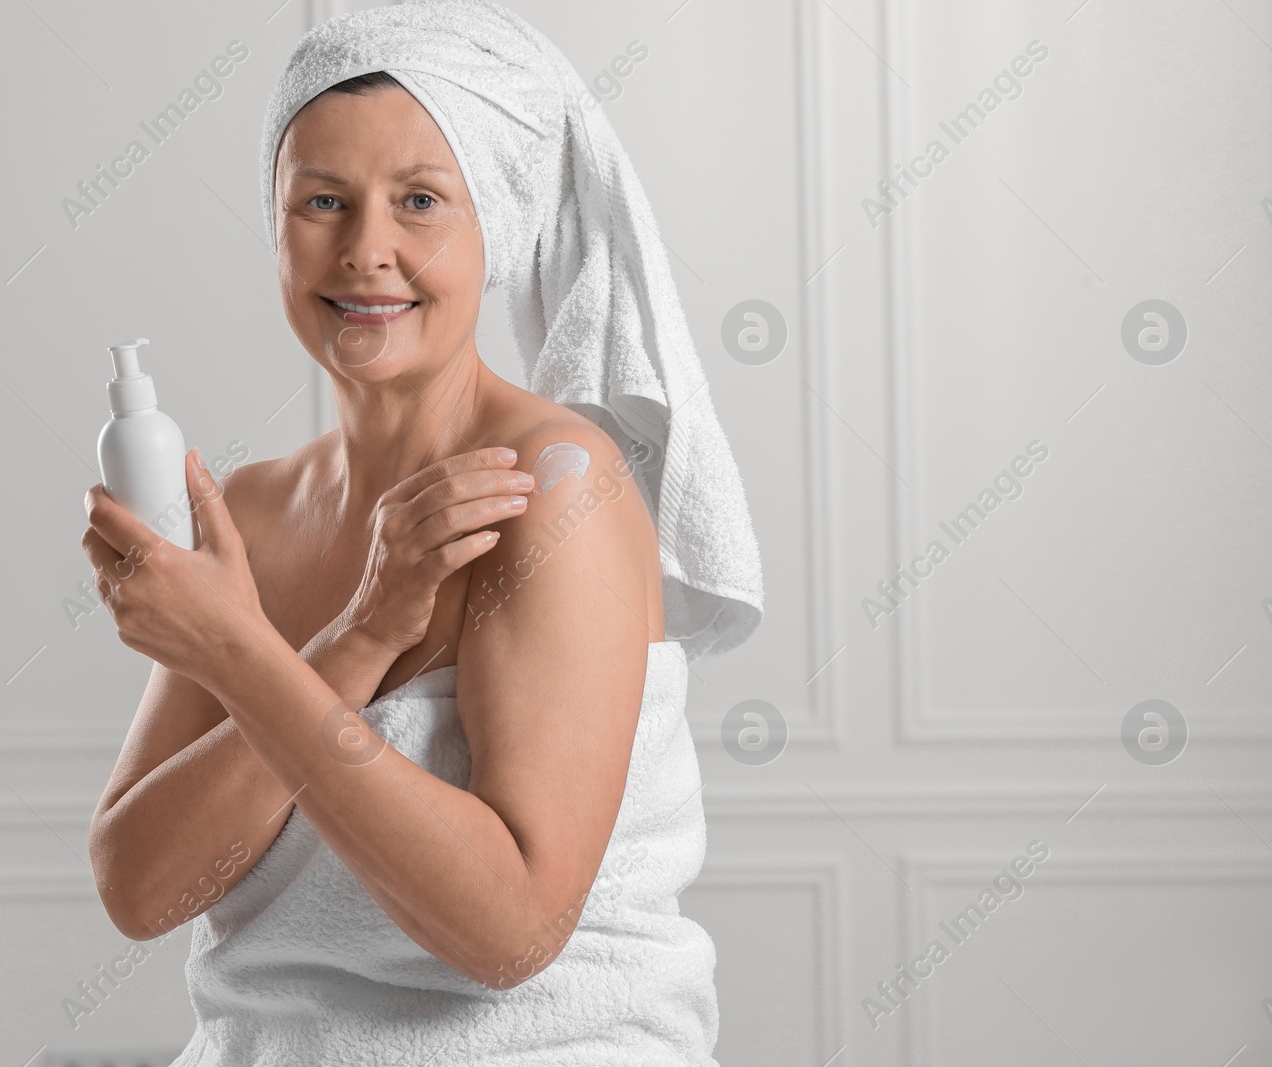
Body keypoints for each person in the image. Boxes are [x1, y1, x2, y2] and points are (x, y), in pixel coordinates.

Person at [80, 1, 762, 1062]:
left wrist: (237, 650)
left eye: (419, 201)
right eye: (321, 200)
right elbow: (140, 886)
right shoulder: (252, 510)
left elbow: (510, 931)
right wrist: (351, 642)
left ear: (497, 222)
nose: (366, 251)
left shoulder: (553, 491)